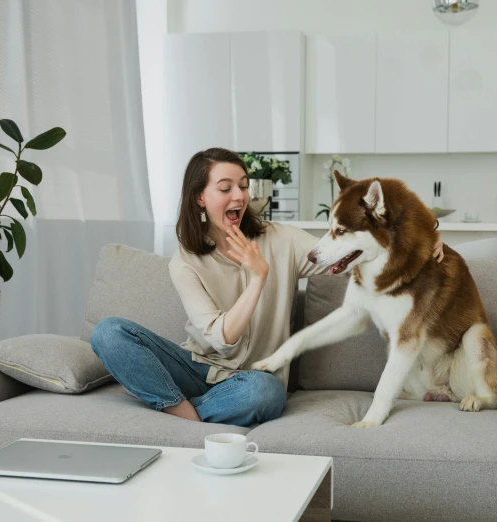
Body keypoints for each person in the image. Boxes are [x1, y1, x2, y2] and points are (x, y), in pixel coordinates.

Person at [90, 148, 444, 427]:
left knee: (266, 394)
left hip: (252, 381)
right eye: (225, 188)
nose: (239, 196)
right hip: (194, 368)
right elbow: (220, 340)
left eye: (243, 186)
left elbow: (345, 252)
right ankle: (187, 410)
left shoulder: (281, 239)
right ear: (200, 197)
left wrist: (426, 237)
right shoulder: (184, 262)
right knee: (109, 333)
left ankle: (178, 413)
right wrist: (258, 278)